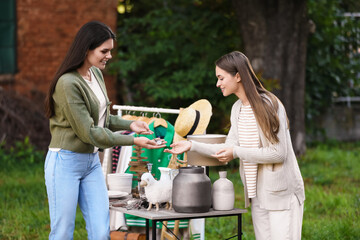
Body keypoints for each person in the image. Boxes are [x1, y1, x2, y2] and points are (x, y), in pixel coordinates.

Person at [44, 21, 165, 240]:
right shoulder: (68, 83)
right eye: (104, 51)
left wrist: (130, 125)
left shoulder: (96, 75)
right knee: (62, 231)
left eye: (110, 51)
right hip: (65, 162)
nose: (109, 56)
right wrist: (134, 140)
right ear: (86, 49)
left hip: (91, 163)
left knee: (101, 232)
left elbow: (103, 118)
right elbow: (89, 133)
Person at [165, 51, 305, 240]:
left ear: (238, 76)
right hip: (257, 195)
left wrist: (236, 152)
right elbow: (228, 147)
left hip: (281, 194)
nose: (218, 83)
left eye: (221, 77)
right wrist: (191, 146)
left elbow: (278, 153)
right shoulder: (237, 108)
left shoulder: (269, 104)